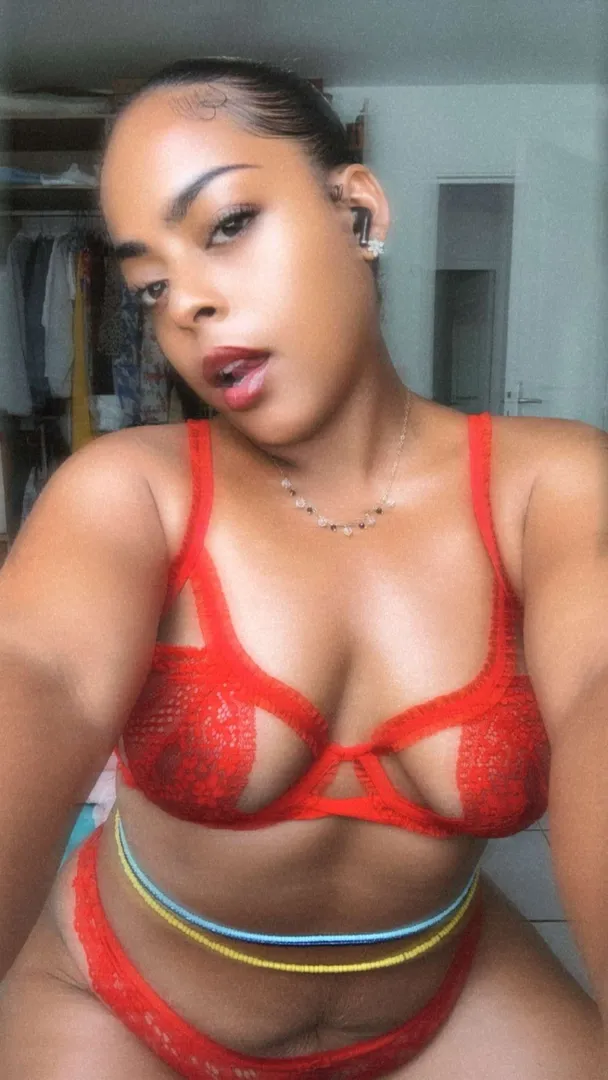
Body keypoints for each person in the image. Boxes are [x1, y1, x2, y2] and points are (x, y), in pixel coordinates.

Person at [0, 57, 605, 1080]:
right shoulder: (131, 491)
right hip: (115, 995)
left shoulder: (553, 484)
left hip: (444, 996)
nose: (187, 304)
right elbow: (37, 674)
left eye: (228, 224)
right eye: (151, 285)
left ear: (357, 208)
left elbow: (597, 683)